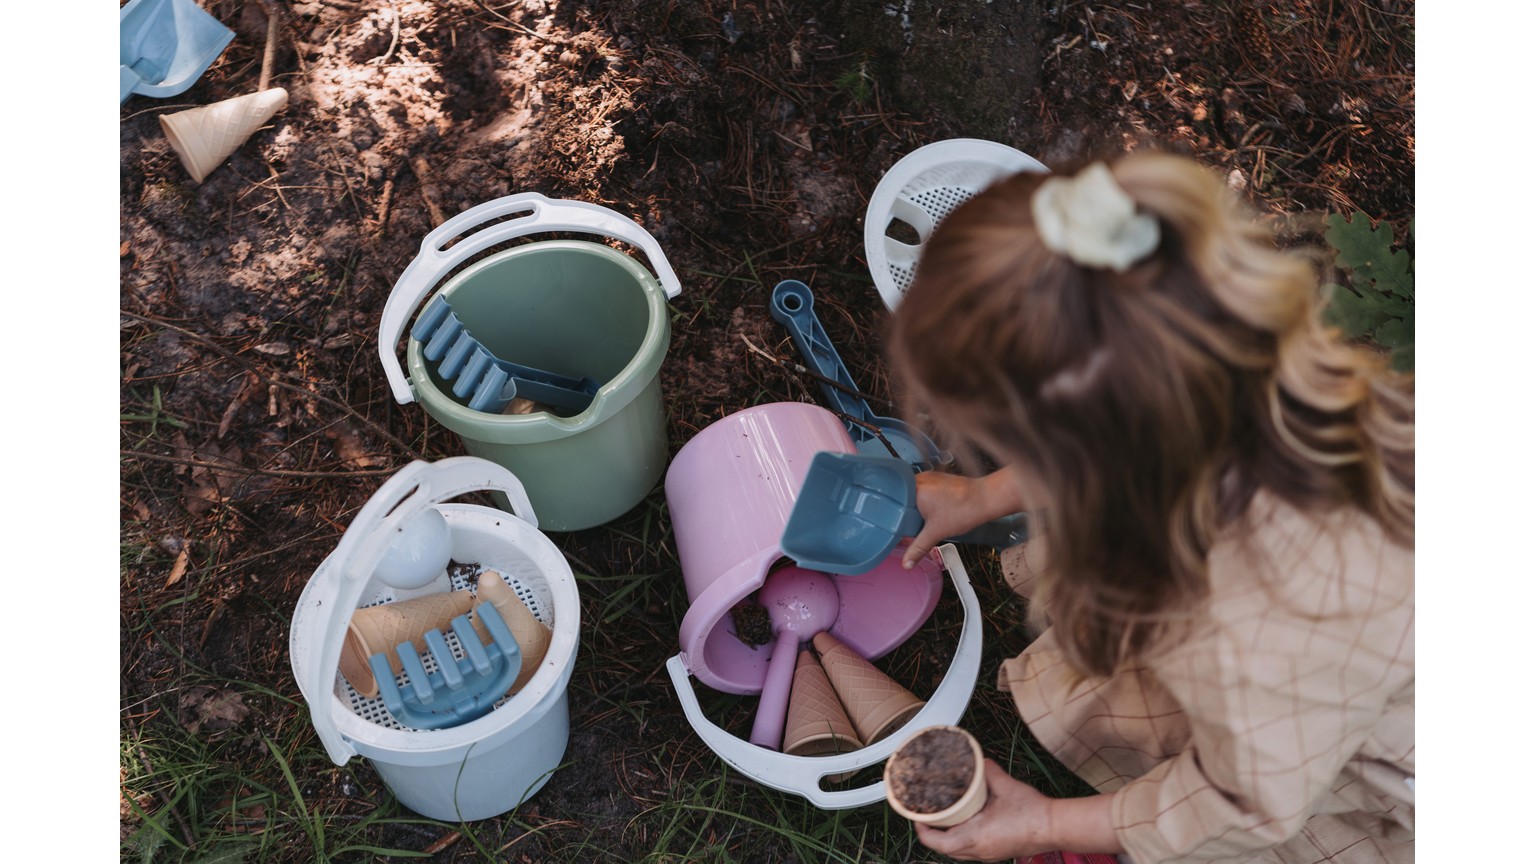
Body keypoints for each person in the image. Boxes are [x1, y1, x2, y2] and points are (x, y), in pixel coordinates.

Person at [885, 153, 1414, 863]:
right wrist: (984, 495)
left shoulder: (1265, 630)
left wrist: (1044, 823)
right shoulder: (1230, 368)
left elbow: (1244, 803)